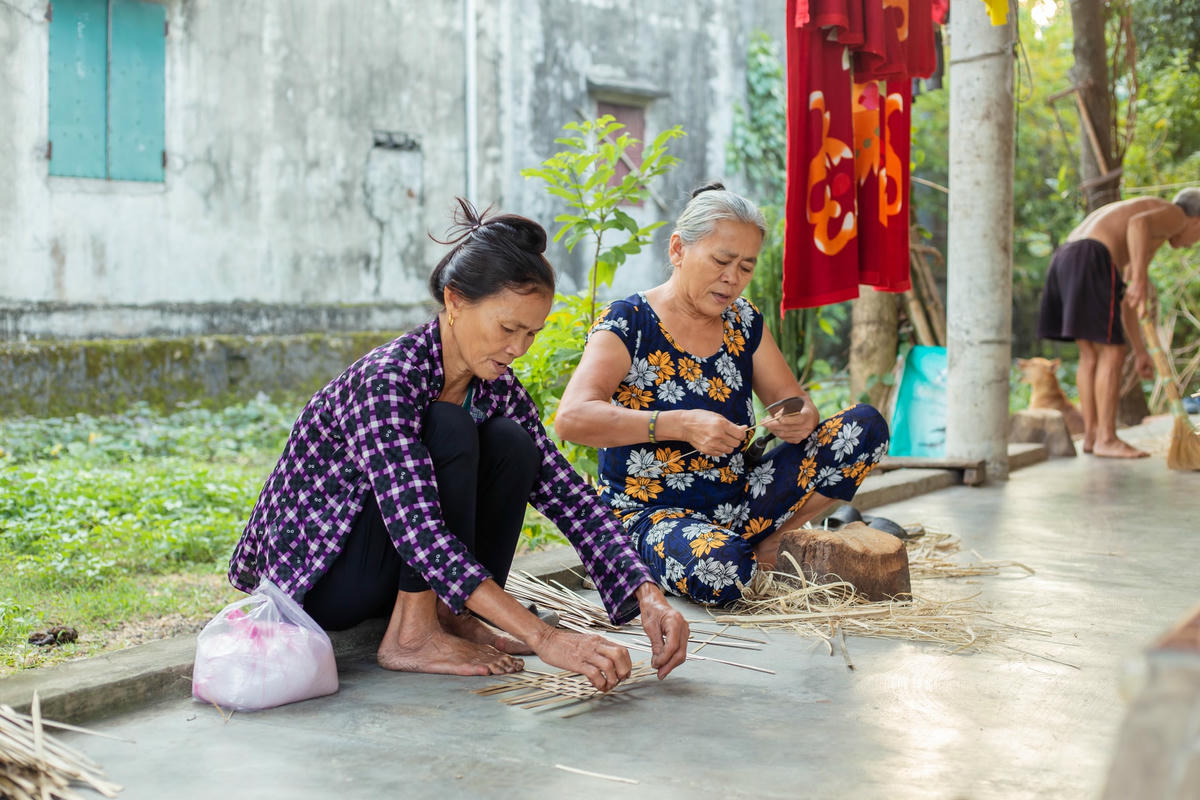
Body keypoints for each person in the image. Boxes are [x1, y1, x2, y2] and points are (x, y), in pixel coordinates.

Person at [228, 199, 689, 691]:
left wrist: (648, 594)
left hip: (396, 569)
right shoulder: (390, 379)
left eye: (531, 333)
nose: (518, 348)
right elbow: (418, 530)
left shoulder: (496, 387)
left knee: (512, 442)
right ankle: (411, 633)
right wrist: (545, 637)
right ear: (454, 302)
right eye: (507, 328)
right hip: (325, 580)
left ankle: (448, 616)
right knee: (447, 425)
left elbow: (569, 496)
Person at [554, 184, 891, 606]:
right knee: (725, 569)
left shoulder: (744, 321)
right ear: (678, 249)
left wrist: (799, 415)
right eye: (721, 261)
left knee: (864, 429)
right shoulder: (630, 321)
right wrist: (680, 424)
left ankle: (775, 543)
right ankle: (736, 556)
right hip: (649, 515)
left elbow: (793, 401)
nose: (732, 278)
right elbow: (571, 418)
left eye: (746, 267)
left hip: (739, 501)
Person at [1037, 188, 1200, 458]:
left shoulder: (1146, 237)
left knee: (1090, 354)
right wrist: (1139, 278)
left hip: (1067, 257)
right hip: (1092, 256)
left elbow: (1125, 301)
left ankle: (1092, 437)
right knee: (1111, 352)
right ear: (1197, 221)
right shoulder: (1175, 215)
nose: (1194, 242)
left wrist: (1139, 351)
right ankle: (1107, 438)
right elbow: (1138, 225)